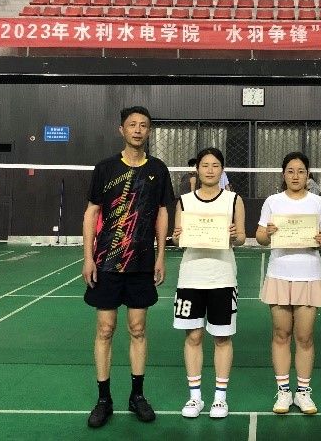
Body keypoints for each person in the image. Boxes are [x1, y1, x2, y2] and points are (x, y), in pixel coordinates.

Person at [82, 106, 174, 429]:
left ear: (149, 131)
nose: (137, 129)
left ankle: (137, 396)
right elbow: (92, 212)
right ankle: (103, 399)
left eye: (143, 125)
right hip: (107, 261)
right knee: (105, 329)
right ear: (121, 130)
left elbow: (163, 213)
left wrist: (161, 255)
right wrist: (88, 257)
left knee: (138, 328)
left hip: (141, 263)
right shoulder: (105, 168)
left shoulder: (158, 169)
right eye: (132, 124)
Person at [172, 148, 247, 419]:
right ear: (197, 169)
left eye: (215, 165)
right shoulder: (184, 202)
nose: (210, 170)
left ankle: (219, 398)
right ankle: (195, 397)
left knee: (222, 337)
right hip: (191, 277)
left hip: (222, 277)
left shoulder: (233, 199)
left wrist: (234, 235)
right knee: (193, 336)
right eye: (205, 165)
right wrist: (177, 236)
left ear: (222, 170)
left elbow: (241, 238)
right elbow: (177, 240)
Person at [256, 152, 321, 415]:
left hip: (308, 275)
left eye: (301, 171)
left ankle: (303, 392)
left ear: (308, 175)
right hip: (279, 274)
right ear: (283, 174)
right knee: (280, 334)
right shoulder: (272, 202)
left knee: (305, 337)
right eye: (290, 171)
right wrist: (268, 233)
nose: (296, 176)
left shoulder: (318, 203)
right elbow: (261, 237)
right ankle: (283, 391)